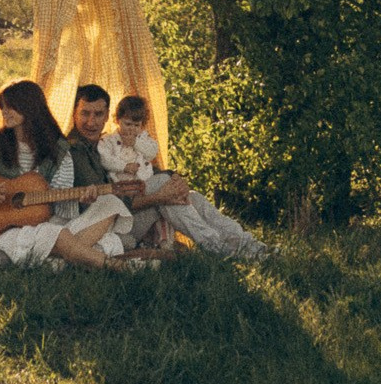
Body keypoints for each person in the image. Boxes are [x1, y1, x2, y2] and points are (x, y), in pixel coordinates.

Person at [0, 78, 133, 269]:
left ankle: (59, 257)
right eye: (3, 107)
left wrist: (81, 200)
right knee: (57, 235)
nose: (4, 112)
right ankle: (113, 265)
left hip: (42, 223)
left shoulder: (58, 150)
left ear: (30, 108)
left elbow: (61, 209)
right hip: (1, 228)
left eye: (11, 107)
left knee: (110, 203)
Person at [67, 85, 270, 260]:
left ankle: (250, 245)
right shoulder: (76, 151)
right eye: (85, 113)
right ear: (74, 113)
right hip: (110, 229)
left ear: (107, 116)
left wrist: (174, 178)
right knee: (165, 189)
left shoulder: (107, 142)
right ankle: (218, 248)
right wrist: (160, 195)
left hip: (128, 216)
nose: (91, 122)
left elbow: (144, 168)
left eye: (98, 114)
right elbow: (108, 206)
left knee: (192, 198)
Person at [98, 96, 162, 183]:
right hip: (118, 184)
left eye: (136, 125)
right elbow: (105, 159)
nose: (132, 128)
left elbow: (152, 153)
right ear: (117, 120)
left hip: (144, 182)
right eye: (128, 124)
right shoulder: (109, 140)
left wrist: (136, 143)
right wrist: (124, 167)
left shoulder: (143, 137)